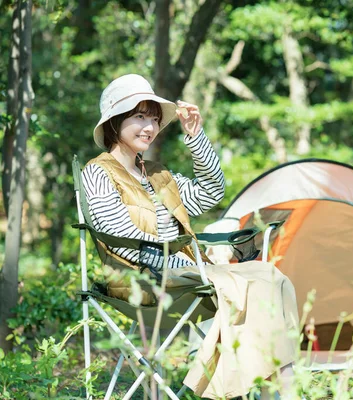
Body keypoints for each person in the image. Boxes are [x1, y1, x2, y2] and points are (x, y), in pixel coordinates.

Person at [82, 74, 298, 399]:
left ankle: (278, 389)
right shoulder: (97, 171)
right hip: (142, 277)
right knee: (251, 285)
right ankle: (249, 391)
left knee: (273, 278)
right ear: (115, 121)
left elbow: (212, 193)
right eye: (139, 116)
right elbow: (115, 234)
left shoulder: (156, 173)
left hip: (183, 271)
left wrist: (195, 136)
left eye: (154, 119)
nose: (150, 127)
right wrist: (167, 258)